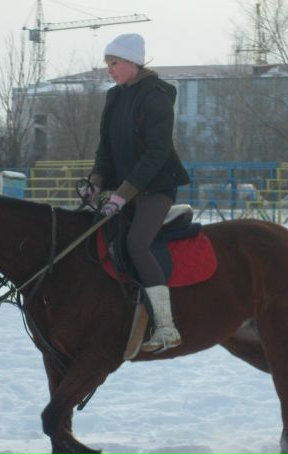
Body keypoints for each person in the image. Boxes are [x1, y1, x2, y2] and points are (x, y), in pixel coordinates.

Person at [81, 33, 191, 353]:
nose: (110, 70)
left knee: (136, 244)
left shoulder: (156, 96)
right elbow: (106, 147)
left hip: (156, 189)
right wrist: (97, 181)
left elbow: (157, 153)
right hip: (122, 191)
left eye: (113, 63)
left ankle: (167, 327)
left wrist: (123, 194)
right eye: (107, 65)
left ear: (131, 62)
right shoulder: (114, 97)